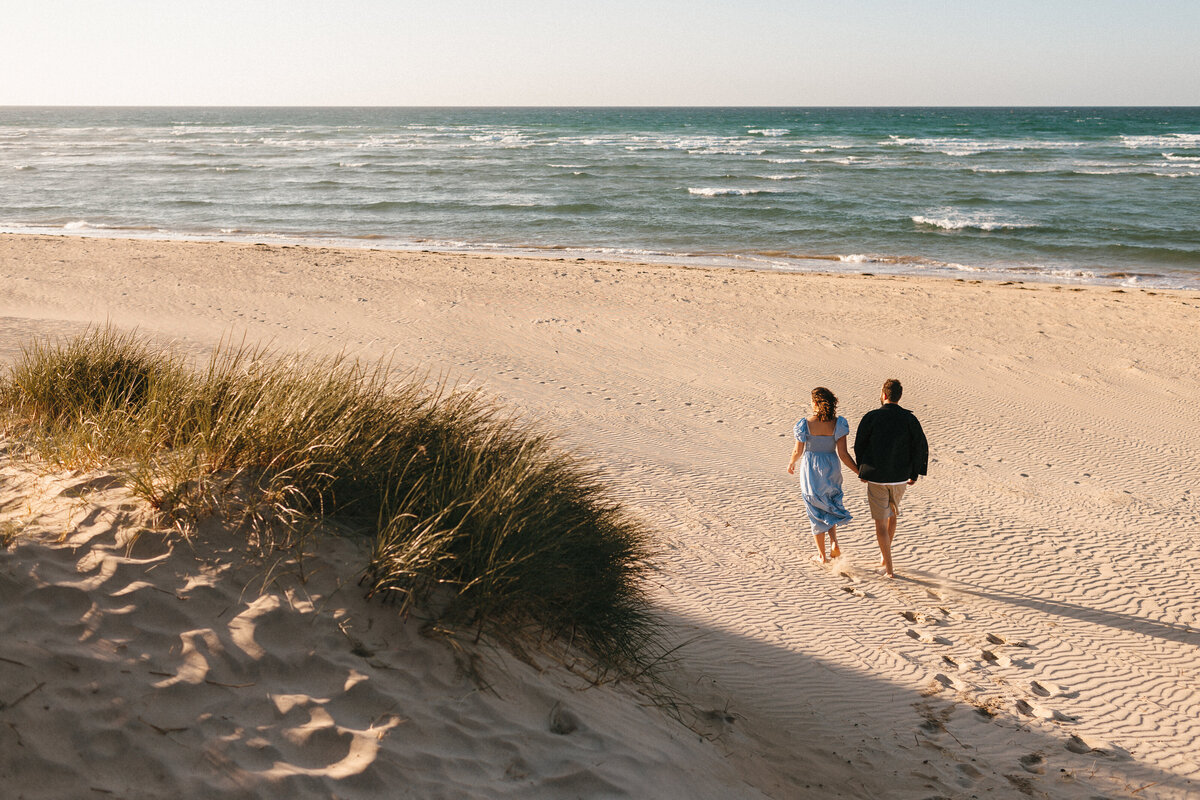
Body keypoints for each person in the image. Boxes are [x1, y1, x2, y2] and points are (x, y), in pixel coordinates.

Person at [854, 378, 928, 578]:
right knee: (892, 515)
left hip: (877, 477)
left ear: (884, 395)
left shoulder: (871, 417)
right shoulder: (910, 419)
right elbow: (920, 446)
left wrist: (863, 470)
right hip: (900, 478)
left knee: (880, 524)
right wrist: (914, 473)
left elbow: (859, 444)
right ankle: (883, 556)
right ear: (898, 396)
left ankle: (889, 569)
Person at [787, 387, 859, 564]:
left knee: (814, 509)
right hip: (831, 467)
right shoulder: (838, 423)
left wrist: (791, 462)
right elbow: (843, 453)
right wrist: (858, 471)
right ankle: (834, 542)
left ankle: (822, 556)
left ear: (816, 403)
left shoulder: (805, 423)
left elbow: (798, 450)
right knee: (829, 504)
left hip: (811, 469)